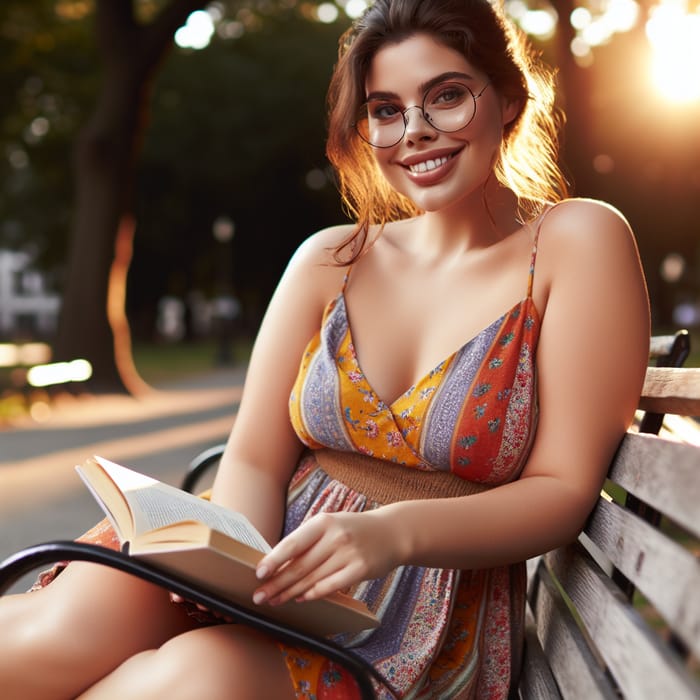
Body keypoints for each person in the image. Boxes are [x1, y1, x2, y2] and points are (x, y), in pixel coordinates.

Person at [0, 0, 650, 698]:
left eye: (448, 97)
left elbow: (562, 491)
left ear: (510, 98)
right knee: (56, 635)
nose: (416, 132)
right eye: (385, 109)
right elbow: (252, 455)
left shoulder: (576, 241)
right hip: (269, 561)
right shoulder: (330, 259)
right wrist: (232, 567)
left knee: (184, 683)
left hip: (410, 619)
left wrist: (392, 535)